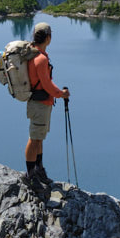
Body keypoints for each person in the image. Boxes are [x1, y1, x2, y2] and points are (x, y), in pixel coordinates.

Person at [24, 21, 68, 185]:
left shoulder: (33, 54)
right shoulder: (40, 58)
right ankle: (30, 175)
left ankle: (38, 169)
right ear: (48, 38)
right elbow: (47, 84)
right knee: (34, 138)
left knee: (39, 138)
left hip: (40, 102)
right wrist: (61, 94)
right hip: (39, 103)